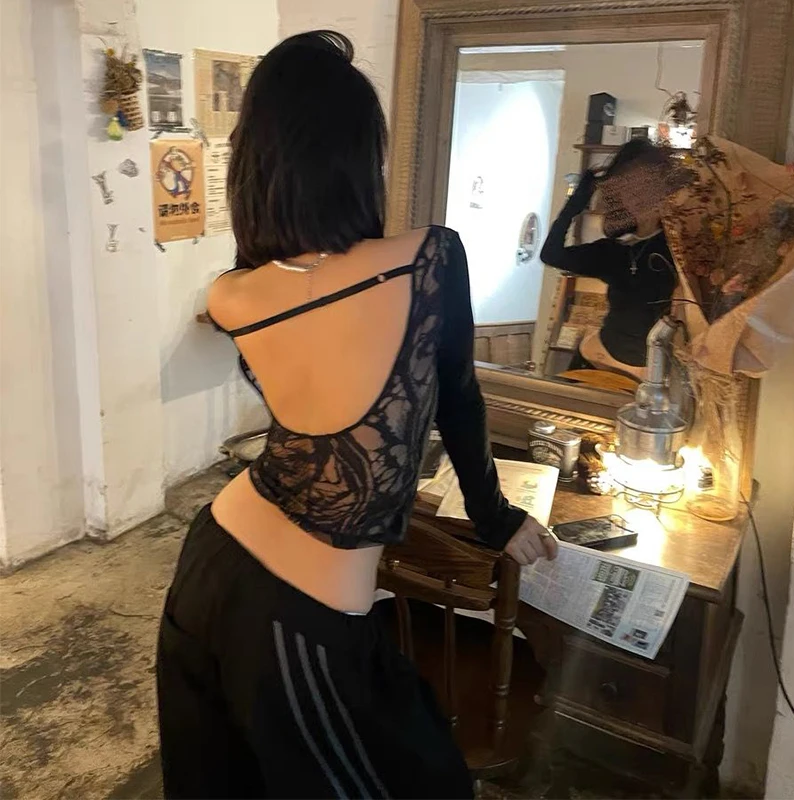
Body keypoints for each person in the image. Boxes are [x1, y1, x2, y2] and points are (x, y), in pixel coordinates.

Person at [156, 31, 557, 800]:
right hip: (295, 617)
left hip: (210, 564)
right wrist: (496, 517)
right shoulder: (429, 259)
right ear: (361, 158)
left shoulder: (231, 294)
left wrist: (496, 518)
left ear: (254, 164)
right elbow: (459, 400)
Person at [540, 139, 679, 379]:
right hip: (594, 362)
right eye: (628, 187)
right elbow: (551, 254)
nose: (637, 196)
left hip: (649, 376)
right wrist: (577, 202)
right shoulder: (614, 252)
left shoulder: (678, 249)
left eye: (646, 185)